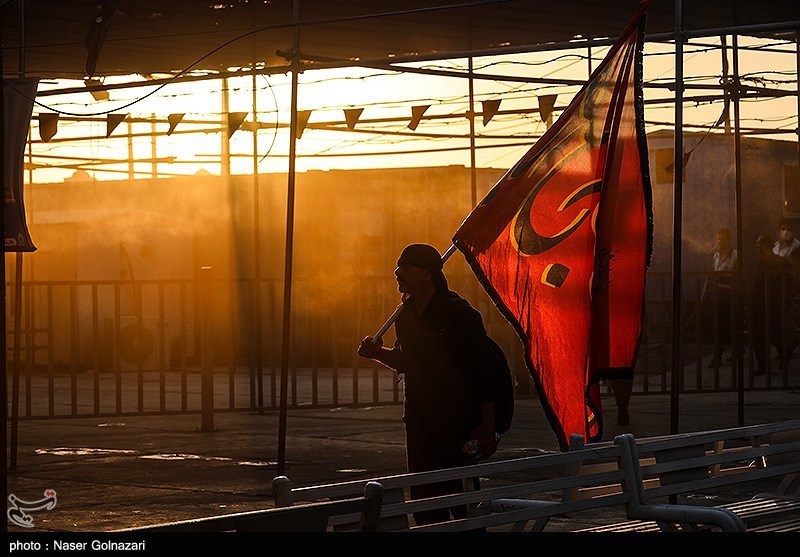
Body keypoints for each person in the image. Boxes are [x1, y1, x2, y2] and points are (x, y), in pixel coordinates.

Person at [357, 243, 498, 525]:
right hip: (420, 422)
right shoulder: (405, 316)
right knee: (424, 501)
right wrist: (377, 354)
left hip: (458, 421)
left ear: (427, 273)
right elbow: (410, 362)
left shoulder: (460, 314)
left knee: (462, 501)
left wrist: (488, 425)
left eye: (406, 266)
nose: (398, 272)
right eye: (399, 266)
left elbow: (484, 373)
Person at [753, 235, 793, 376]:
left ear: (765, 245)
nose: (757, 246)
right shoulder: (778, 261)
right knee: (771, 332)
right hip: (766, 302)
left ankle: (765, 364)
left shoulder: (768, 261)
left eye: (759, 244)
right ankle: (782, 354)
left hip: (767, 301)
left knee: (766, 333)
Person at [703, 227, 738, 368]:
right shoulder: (716, 256)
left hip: (729, 297)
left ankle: (717, 357)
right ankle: (736, 348)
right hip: (717, 297)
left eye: (722, 238)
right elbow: (711, 276)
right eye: (718, 239)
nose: (719, 241)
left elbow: (734, 276)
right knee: (722, 327)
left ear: (728, 240)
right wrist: (705, 294)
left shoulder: (735, 255)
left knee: (721, 327)